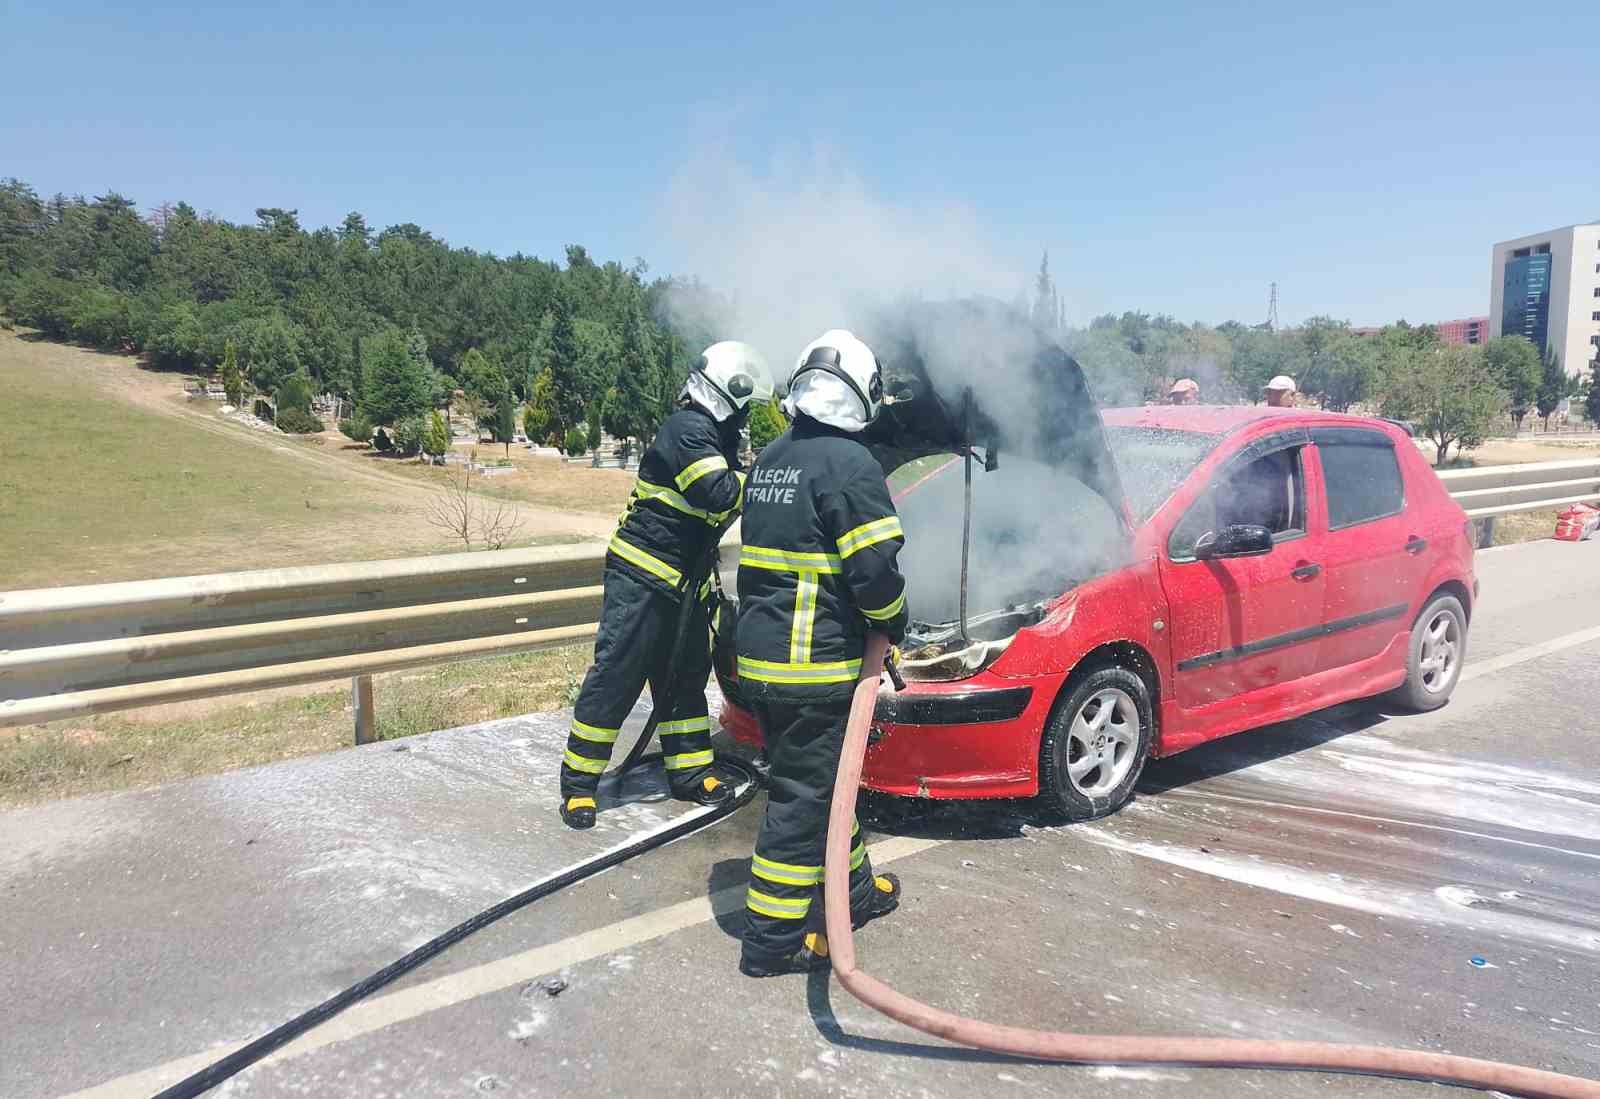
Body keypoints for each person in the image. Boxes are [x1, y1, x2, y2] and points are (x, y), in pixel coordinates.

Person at [734, 329, 908, 977]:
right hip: (813, 666)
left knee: (827, 784)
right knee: (803, 797)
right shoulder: (850, 464)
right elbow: (875, 571)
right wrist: (895, 621)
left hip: (762, 659)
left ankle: (853, 894)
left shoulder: (773, 458)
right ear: (861, 395)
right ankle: (771, 940)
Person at [557, 341, 775, 829]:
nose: (744, 417)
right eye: (745, 405)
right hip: (643, 578)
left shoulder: (710, 436)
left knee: (684, 680)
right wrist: (768, 478)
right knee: (616, 677)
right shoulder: (688, 431)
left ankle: (691, 771)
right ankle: (579, 785)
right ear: (728, 393)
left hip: (685, 584)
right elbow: (718, 494)